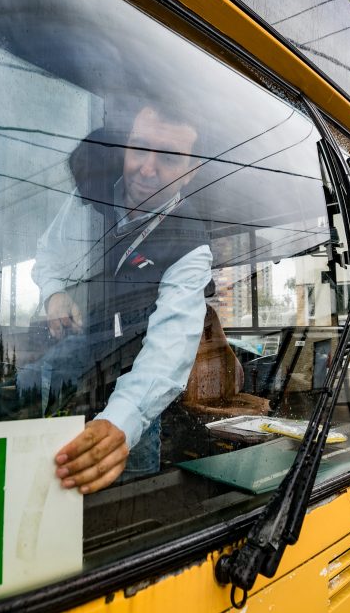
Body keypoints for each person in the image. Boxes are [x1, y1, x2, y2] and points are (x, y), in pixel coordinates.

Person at [30, 103, 213, 494]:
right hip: (79, 357)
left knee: (125, 496)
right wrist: (55, 295)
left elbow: (169, 350)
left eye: (168, 157)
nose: (147, 169)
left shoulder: (191, 246)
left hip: (133, 386)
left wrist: (121, 423)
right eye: (140, 148)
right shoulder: (89, 196)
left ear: (192, 170)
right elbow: (49, 253)